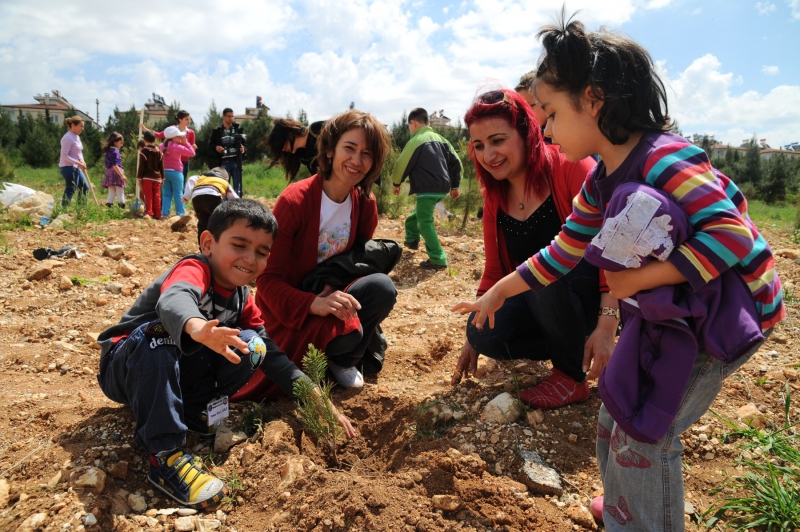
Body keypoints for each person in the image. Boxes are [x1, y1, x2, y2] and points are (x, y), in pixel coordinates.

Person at [453, 14, 784, 531]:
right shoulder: (601, 180)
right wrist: (500, 290)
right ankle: (627, 506)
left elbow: (732, 235)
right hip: (675, 311)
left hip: (723, 316)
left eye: (552, 113)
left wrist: (635, 282)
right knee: (616, 406)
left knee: (647, 431)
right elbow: (563, 250)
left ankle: (645, 521)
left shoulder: (665, 159)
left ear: (593, 100)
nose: (545, 130)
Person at [97, 199, 356, 509]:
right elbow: (174, 299)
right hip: (125, 366)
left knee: (253, 346)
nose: (250, 258)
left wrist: (315, 396)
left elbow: (273, 358)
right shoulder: (194, 269)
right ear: (208, 243)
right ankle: (165, 456)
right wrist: (196, 327)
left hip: (172, 370)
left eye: (262, 252)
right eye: (239, 245)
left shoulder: (241, 298)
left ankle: (191, 413)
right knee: (159, 333)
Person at [450, 89, 616, 409]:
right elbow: (495, 271)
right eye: (479, 145)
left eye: (498, 140)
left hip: (594, 296)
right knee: (483, 333)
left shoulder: (570, 167)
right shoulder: (495, 197)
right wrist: (472, 338)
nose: (488, 155)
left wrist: (608, 324)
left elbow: (612, 249)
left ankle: (571, 376)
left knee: (544, 270)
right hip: (542, 298)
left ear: (526, 134)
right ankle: (573, 346)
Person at [233, 110, 396, 399]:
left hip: (331, 296)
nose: (357, 160)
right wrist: (313, 303)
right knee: (344, 333)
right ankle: (318, 355)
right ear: (330, 150)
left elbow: (356, 263)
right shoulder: (295, 201)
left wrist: (331, 287)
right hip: (290, 310)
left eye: (367, 153)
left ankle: (342, 361)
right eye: (349, 148)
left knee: (381, 287)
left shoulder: (365, 203)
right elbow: (267, 281)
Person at [391, 108, 462, 271]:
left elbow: (402, 164)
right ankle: (412, 238)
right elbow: (456, 162)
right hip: (443, 187)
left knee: (424, 221)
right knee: (418, 214)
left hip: (427, 188)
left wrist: (396, 183)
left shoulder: (416, 140)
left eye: (409, 127)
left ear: (413, 123)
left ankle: (438, 258)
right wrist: (455, 186)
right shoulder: (443, 140)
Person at [182, 167, 238, 246]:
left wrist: (186, 196)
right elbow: (234, 198)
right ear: (226, 178)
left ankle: (203, 247)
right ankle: (219, 245)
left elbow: (191, 179)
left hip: (197, 199)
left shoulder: (201, 177)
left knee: (202, 223)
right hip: (213, 197)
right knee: (220, 221)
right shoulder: (224, 181)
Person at [142, 110, 197, 181]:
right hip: (170, 162)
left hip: (184, 162)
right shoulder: (172, 129)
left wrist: (193, 147)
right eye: (187, 119)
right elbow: (159, 135)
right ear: (180, 120)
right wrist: (145, 130)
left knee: (182, 183)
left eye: (189, 119)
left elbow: (191, 149)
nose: (189, 121)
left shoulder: (191, 132)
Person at [160, 126, 195, 219]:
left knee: (166, 194)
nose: (181, 138)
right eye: (179, 136)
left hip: (164, 172)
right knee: (178, 193)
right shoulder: (177, 147)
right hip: (176, 173)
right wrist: (186, 143)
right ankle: (180, 213)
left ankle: (164, 213)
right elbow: (192, 153)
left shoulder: (161, 146)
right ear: (174, 137)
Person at [210, 108, 246, 197]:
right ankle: (225, 204)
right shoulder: (217, 131)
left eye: (232, 116)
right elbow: (210, 145)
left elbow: (245, 144)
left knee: (238, 187)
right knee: (224, 186)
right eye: (229, 116)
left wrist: (243, 148)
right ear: (223, 116)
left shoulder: (238, 129)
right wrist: (216, 147)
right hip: (223, 163)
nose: (231, 118)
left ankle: (238, 203)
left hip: (236, 162)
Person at [59, 116, 90, 206]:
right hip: (68, 167)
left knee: (85, 187)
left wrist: (82, 160)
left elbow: (79, 152)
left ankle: (81, 208)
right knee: (71, 188)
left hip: (76, 167)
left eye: (83, 126)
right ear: (73, 125)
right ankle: (64, 209)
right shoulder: (67, 138)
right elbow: (64, 155)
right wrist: (77, 163)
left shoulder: (76, 137)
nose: (82, 129)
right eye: (81, 126)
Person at [137, 130, 165, 219]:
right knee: (157, 195)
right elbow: (161, 167)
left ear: (144, 141)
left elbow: (141, 167)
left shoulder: (144, 152)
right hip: (157, 178)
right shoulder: (159, 152)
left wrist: (139, 178)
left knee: (147, 195)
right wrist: (163, 178)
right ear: (155, 140)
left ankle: (148, 212)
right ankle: (157, 213)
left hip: (147, 177)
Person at [101, 132, 127, 208]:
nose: (122, 145)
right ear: (115, 142)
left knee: (111, 192)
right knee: (120, 191)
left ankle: (109, 207)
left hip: (109, 173)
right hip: (116, 173)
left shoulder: (108, 151)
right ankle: (121, 207)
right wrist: (121, 175)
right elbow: (115, 165)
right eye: (120, 143)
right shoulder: (115, 151)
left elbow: (107, 165)